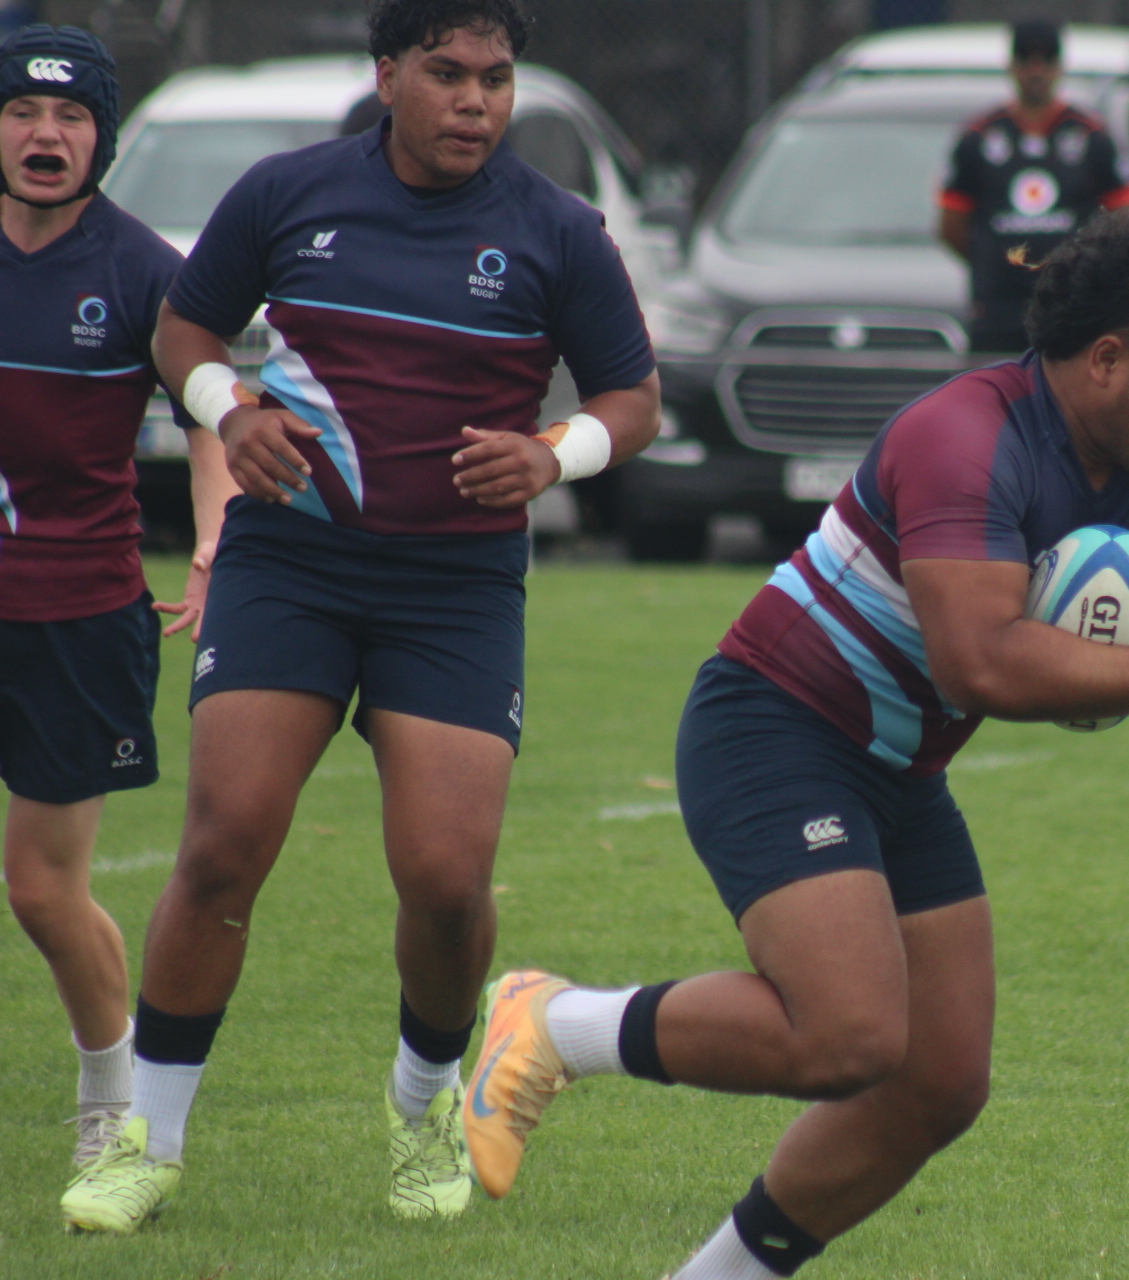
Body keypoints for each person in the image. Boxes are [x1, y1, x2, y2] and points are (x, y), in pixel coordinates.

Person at [460, 209, 1129, 1280]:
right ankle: (558, 1022)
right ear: (1107, 360)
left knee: (940, 1081)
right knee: (848, 1035)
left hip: (898, 766)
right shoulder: (967, 440)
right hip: (776, 729)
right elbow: (982, 662)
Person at [57, 0, 661, 1234]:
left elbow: (633, 398)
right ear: (388, 76)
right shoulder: (290, 194)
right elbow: (184, 330)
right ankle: (148, 1141)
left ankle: (423, 1101)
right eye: (448, 73)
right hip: (293, 562)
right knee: (225, 842)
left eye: (496, 77)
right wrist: (231, 410)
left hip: (454, 587)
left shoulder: (556, 229)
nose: (476, 101)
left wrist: (554, 454)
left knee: (446, 878)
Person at [0, 21, 236, 1212]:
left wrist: (215, 536)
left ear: (102, 136)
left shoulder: (146, 270)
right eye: (22, 112)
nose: (45, 135)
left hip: (77, 610)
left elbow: (211, 414)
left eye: (71, 117)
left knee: (42, 888)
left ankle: (112, 1096)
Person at [938, 18, 1129, 354]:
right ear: (1011, 65)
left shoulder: (1090, 136)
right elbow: (951, 227)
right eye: (1026, 59)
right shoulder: (979, 138)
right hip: (999, 311)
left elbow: (1126, 220)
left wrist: (1089, 271)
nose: (1036, 71)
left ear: (1060, 67)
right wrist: (994, 260)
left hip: (1072, 308)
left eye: (1047, 59)